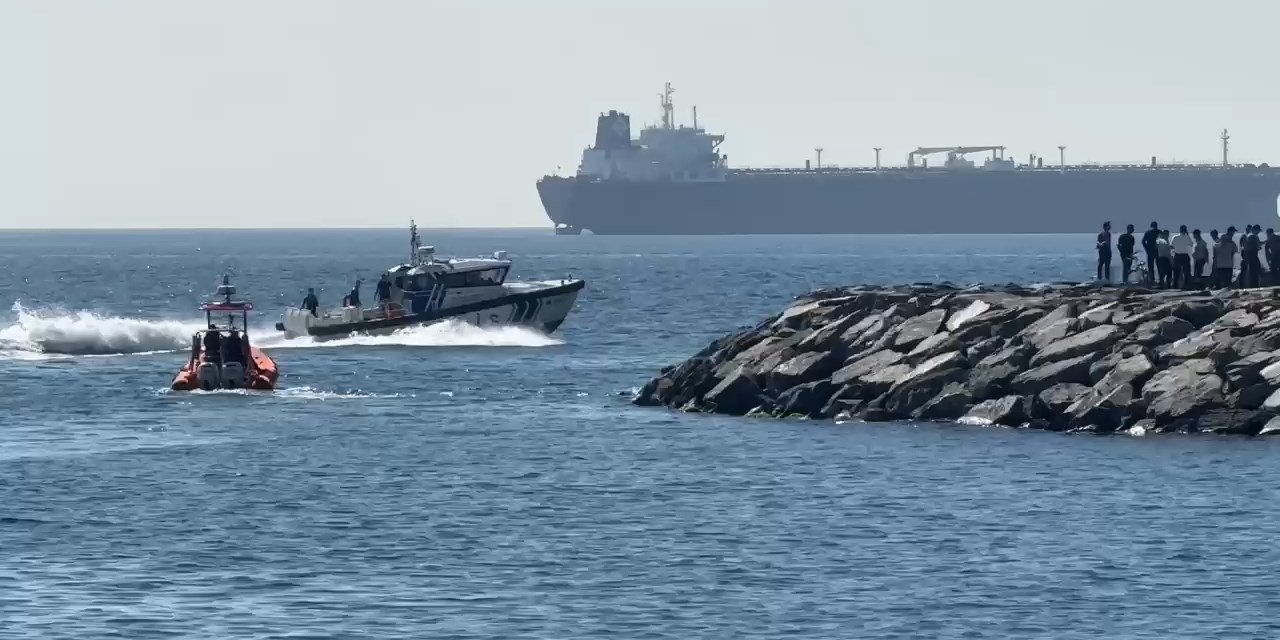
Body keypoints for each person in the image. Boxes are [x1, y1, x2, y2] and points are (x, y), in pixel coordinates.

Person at [1170, 225, 1193, 289]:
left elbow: (1171, 246)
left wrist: (1176, 248)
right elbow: (1191, 244)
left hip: (1177, 255)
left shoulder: (1175, 237)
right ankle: (1187, 286)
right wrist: (1187, 234)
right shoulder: (1187, 237)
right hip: (1185, 256)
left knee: (1176, 273)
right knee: (1187, 272)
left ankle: (1175, 287)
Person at [1141, 221, 1160, 285]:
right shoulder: (1159, 232)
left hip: (1150, 251)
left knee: (1150, 266)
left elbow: (1143, 241)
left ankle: (1152, 279)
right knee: (1159, 266)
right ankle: (1160, 279)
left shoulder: (1148, 232)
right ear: (1156, 226)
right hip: (1158, 251)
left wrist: (1147, 249)